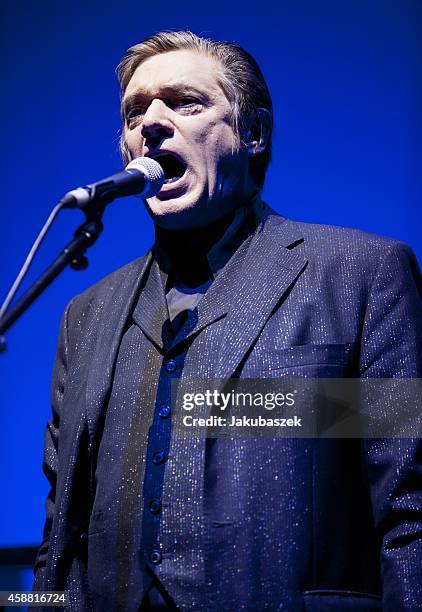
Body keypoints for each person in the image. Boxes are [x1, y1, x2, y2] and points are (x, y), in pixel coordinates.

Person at [33, 31, 422, 611]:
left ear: (253, 133)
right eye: (134, 111)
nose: (151, 123)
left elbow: (409, 509)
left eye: (185, 102)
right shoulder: (85, 317)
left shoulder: (362, 273)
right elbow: (57, 541)